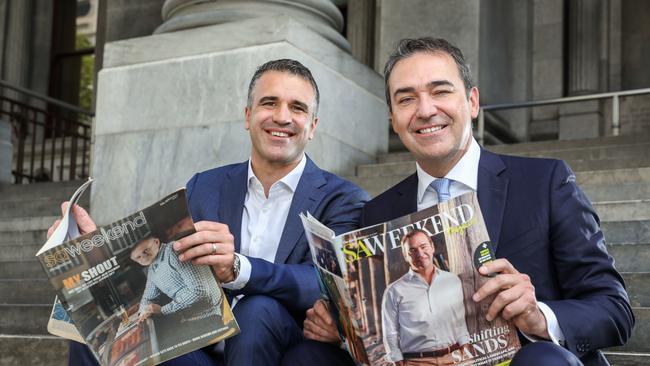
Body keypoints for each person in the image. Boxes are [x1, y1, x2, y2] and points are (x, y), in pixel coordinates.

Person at [286, 37, 634, 366]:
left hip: (526, 358)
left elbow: (614, 308)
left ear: (472, 102)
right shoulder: (378, 212)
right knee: (307, 356)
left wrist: (538, 316)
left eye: (440, 91)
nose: (425, 110)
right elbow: (381, 327)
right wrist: (345, 331)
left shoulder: (545, 182)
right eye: (406, 99)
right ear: (393, 119)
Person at [48, 58, 368, 366]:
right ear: (247, 116)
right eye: (269, 103)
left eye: (297, 107)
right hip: (200, 348)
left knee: (257, 310)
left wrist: (238, 269)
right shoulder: (206, 185)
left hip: (286, 347)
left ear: (312, 126)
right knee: (94, 326)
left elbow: (330, 281)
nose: (282, 117)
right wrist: (99, 254)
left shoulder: (344, 199)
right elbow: (162, 257)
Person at [382, 229, 470, 365]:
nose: (420, 254)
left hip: (456, 357)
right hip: (417, 362)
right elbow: (390, 331)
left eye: (423, 247)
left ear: (432, 247)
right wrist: (398, 361)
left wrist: (466, 347)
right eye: (412, 250)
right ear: (405, 256)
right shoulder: (394, 291)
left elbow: (459, 321)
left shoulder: (452, 280)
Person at [130, 236, 222, 323]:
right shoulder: (152, 269)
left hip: (211, 313)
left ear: (156, 242)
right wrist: (142, 313)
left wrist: (163, 310)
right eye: (138, 257)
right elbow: (147, 298)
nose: (144, 257)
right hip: (189, 317)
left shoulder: (173, 251)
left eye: (146, 250)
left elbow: (199, 291)